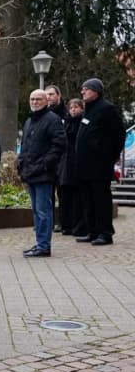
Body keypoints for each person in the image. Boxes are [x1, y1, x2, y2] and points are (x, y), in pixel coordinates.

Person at [75, 77, 126, 246]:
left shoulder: (107, 109)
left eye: (86, 89)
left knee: (100, 199)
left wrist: (109, 155)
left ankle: (105, 233)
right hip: (84, 166)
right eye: (82, 89)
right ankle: (92, 231)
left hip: (99, 165)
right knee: (87, 200)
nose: (82, 91)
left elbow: (118, 134)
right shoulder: (88, 110)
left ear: (96, 91)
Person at [18, 89, 66, 258]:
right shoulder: (29, 121)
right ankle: (40, 243)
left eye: (38, 99)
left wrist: (45, 165)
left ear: (46, 101)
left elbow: (59, 145)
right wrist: (21, 164)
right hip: (31, 172)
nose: (35, 102)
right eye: (32, 99)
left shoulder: (52, 120)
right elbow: (25, 145)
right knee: (37, 211)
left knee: (44, 210)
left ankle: (44, 246)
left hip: (44, 173)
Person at [58, 98, 85, 236]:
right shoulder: (65, 122)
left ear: (81, 108)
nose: (73, 110)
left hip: (77, 161)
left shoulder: (82, 122)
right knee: (64, 195)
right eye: (71, 107)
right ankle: (65, 224)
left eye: (76, 107)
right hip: (65, 163)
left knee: (77, 196)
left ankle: (77, 225)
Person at [45, 84, 68, 232]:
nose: (49, 97)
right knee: (47, 192)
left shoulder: (66, 114)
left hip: (63, 158)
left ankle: (63, 222)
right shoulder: (44, 115)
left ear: (59, 96)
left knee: (62, 192)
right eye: (47, 95)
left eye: (52, 94)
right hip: (47, 158)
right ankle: (49, 222)